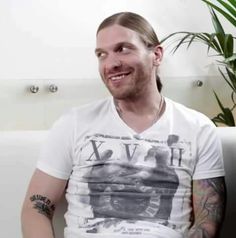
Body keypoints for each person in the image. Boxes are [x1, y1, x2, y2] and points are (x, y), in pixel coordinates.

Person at [21, 12, 226, 238]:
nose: (111, 64)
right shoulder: (74, 123)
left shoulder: (198, 128)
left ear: (156, 55)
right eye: (102, 54)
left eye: (123, 49)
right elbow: (36, 208)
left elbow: (208, 220)